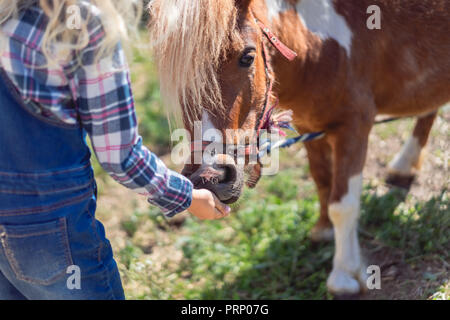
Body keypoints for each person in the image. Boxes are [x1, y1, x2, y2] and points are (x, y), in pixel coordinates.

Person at [0, 0, 230, 300]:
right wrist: (187, 197)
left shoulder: (9, 17)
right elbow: (121, 158)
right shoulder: (79, 24)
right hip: (53, 234)